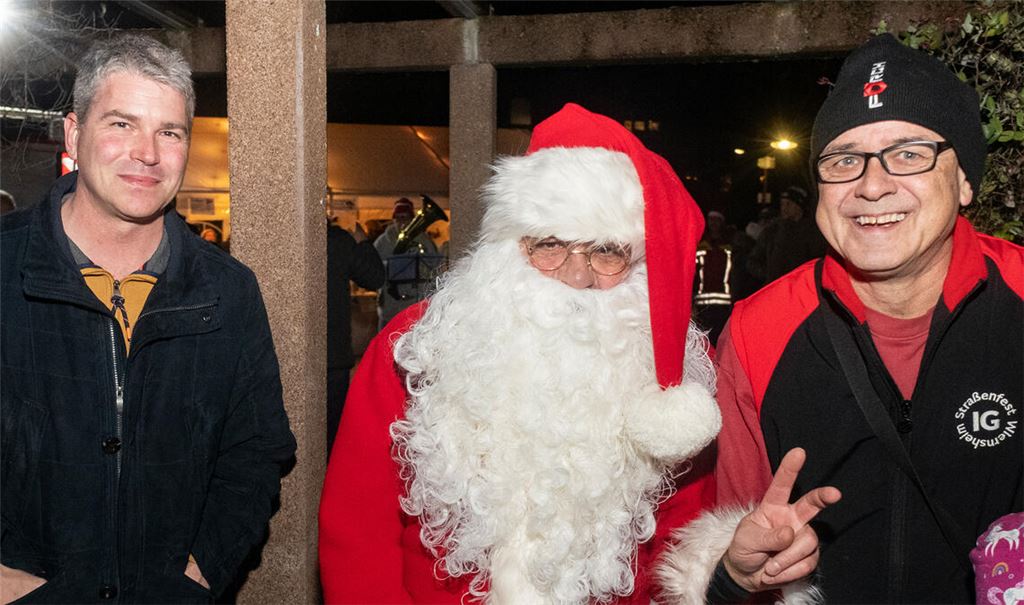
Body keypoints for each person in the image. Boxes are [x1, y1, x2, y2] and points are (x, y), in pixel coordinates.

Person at [656, 34, 1022, 603]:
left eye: (909, 153)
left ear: (966, 179)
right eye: (844, 160)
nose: (872, 186)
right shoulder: (760, 329)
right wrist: (738, 575)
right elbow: (727, 543)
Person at [319, 103, 727, 603]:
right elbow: (359, 529)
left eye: (605, 251)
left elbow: (681, 531)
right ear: (510, 245)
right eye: (551, 245)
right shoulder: (418, 348)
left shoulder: (674, 370)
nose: (577, 276)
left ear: (637, 258)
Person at [0, 34, 296, 604]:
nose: (148, 153)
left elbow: (257, 451)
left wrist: (200, 569)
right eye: (121, 124)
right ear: (73, 133)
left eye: (170, 132)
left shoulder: (228, 291)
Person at [326, 219, 384, 457]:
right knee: (331, 440)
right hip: (334, 357)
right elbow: (375, 277)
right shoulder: (338, 240)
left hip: (285, 356)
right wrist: (363, 243)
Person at [373, 197, 440, 330]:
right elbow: (373, 267)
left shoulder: (424, 240)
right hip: (390, 305)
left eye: (406, 217)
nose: (402, 222)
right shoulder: (382, 241)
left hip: (414, 303)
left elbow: (434, 265)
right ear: (393, 219)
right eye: (398, 218)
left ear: (412, 219)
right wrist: (390, 265)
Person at [747, 186, 827, 284]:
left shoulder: (813, 232)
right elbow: (753, 261)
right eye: (782, 204)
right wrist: (769, 275)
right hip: (775, 289)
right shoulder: (772, 231)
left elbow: (820, 261)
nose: (784, 208)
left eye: (788, 204)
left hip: (802, 290)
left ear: (799, 206)